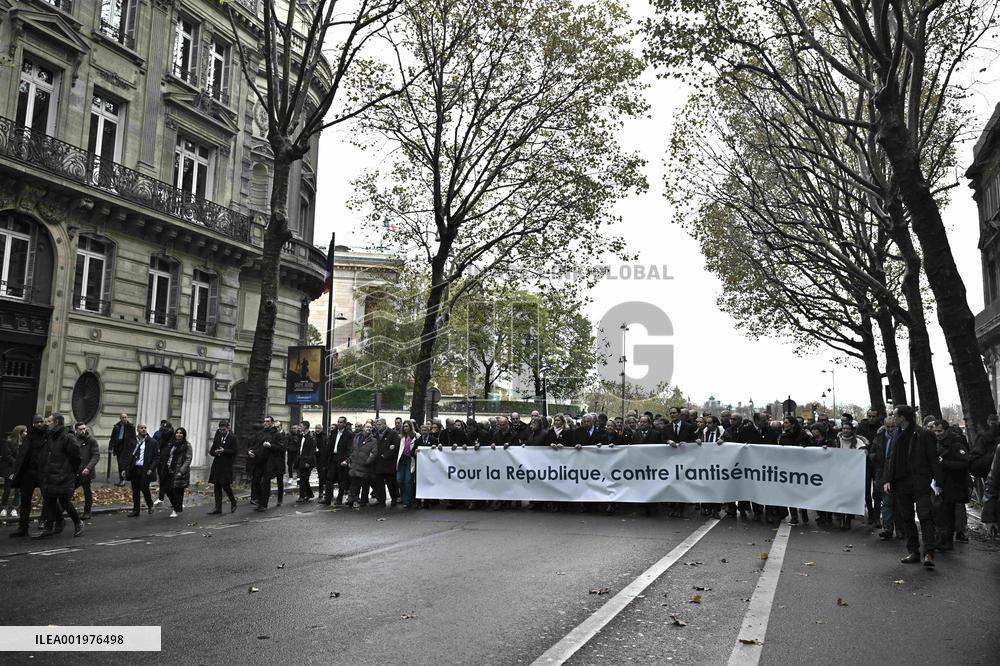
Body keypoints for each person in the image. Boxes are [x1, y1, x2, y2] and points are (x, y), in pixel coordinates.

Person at [883, 405, 942, 568]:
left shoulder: (924, 434)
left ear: (903, 417)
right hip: (901, 483)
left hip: (920, 482)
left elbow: (933, 459)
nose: (892, 417)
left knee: (925, 517)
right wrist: (887, 479)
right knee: (906, 518)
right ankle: (913, 551)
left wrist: (938, 482)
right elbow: (891, 459)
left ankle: (929, 553)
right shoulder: (896, 433)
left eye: (894, 415)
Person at [34, 413, 83, 539]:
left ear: (56, 422)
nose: (47, 423)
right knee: (50, 501)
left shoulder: (67, 436)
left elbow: (76, 456)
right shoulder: (50, 436)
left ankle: (78, 522)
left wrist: (69, 470)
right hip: (50, 474)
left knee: (64, 501)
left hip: (63, 475)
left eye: (49, 421)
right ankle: (48, 528)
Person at [931, 419, 969, 551]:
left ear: (946, 430)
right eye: (935, 431)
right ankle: (942, 539)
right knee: (940, 513)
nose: (937, 434)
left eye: (939, 431)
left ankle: (947, 541)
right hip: (939, 483)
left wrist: (944, 463)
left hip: (952, 484)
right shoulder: (936, 443)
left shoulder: (956, 444)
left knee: (948, 513)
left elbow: (964, 464)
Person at [7, 416, 47, 538]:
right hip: (28, 472)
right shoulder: (29, 436)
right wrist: (16, 471)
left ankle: (48, 522)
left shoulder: (48, 435)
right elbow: (22, 455)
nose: (39, 424)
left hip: (43, 471)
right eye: (37, 422)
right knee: (25, 501)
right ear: (33, 424)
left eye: (41, 422)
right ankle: (23, 527)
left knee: (49, 498)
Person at [833, 421, 868, 530]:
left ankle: (848, 518)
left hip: (852, 474)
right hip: (838, 473)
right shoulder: (837, 441)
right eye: (843, 428)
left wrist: (863, 452)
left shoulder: (857, 442)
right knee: (839, 496)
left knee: (849, 497)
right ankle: (841, 517)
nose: (845, 430)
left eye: (848, 429)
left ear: (852, 430)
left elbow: (863, 452)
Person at [779, 417, 814, 526]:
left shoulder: (803, 435)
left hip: (801, 467)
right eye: (784, 423)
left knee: (801, 492)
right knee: (790, 492)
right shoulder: (784, 436)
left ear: (793, 424)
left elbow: (811, 448)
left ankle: (804, 514)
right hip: (788, 467)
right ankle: (794, 517)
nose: (784, 424)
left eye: (786, 422)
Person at [870, 416, 898, 539]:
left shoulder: (900, 438)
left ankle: (900, 528)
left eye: (893, 426)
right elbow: (871, 453)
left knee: (898, 502)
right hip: (882, 471)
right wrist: (876, 458)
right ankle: (888, 528)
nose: (890, 429)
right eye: (888, 427)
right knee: (886, 502)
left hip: (897, 472)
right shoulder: (879, 438)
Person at [250, 416, 286, 512]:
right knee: (256, 481)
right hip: (259, 461)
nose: (265, 423)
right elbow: (255, 445)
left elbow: (281, 448)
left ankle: (264, 504)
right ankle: (259, 501)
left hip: (270, 462)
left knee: (265, 482)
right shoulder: (261, 433)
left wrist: (271, 446)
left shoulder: (277, 434)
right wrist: (250, 451)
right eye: (264, 421)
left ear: (272, 423)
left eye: (267, 421)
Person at [126, 424, 158, 516]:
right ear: (137, 430)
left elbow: (156, 457)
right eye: (141, 428)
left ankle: (150, 504)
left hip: (145, 469)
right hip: (135, 468)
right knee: (135, 490)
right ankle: (136, 510)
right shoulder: (133, 441)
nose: (143, 429)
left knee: (144, 488)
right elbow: (127, 455)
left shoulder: (152, 442)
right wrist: (125, 468)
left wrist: (151, 469)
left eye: (145, 428)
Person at [321, 417, 353, 505]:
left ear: (345, 424)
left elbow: (349, 449)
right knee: (329, 478)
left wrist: (346, 460)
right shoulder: (334, 432)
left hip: (342, 460)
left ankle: (339, 498)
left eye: (341, 422)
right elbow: (329, 446)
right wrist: (326, 459)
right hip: (333, 458)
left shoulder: (349, 434)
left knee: (341, 480)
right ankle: (328, 498)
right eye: (338, 422)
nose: (339, 424)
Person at [208, 420, 238, 514]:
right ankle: (218, 508)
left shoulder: (233, 437)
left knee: (226, 486)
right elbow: (211, 451)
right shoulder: (218, 437)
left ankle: (233, 502)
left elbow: (235, 451)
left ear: (228, 428)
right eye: (220, 430)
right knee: (216, 486)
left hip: (226, 465)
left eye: (224, 429)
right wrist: (215, 452)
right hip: (217, 464)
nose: (222, 431)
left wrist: (224, 450)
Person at [72, 422, 100, 521]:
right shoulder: (72, 439)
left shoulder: (91, 440)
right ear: (75, 430)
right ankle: (61, 510)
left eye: (84, 428)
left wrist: (88, 468)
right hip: (75, 471)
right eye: (80, 429)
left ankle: (87, 511)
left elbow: (96, 455)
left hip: (85, 471)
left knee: (87, 491)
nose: (83, 431)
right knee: (68, 491)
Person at [163, 428, 193, 518]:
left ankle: (175, 510)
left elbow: (188, 459)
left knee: (178, 491)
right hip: (169, 469)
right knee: (167, 489)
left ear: (184, 435)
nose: (178, 434)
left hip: (179, 471)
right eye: (177, 433)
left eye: (181, 433)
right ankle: (177, 506)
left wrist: (181, 471)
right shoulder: (172, 444)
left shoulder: (187, 445)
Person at [347, 423, 378, 508]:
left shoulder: (373, 440)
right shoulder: (356, 437)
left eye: (371, 427)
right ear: (363, 428)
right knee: (354, 483)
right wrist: (351, 458)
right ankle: (353, 499)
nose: (369, 428)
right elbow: (352, 449)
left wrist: (367, 461)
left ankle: (363, 500)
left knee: (364, 484)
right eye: (367, 427)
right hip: (355, 464)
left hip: (365, 466)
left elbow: (374, 453)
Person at [373, 418, 400, 506]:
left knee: (391, 482)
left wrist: (385, 455)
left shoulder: (392, 433)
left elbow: (395, 447)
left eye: (379, 424)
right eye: (377, 424)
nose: (378, 426)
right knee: (379, 482)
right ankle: (381, 500)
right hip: (378, 462)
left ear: (384, 424)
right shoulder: (376, 434)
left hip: (389, 462)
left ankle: (394, 498)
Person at [1, 425, 25, 520]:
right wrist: (15, 469)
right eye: (25, 432)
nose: (26, 434)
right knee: (7, 489)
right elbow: (7, 456)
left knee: (18, 491)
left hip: (19, 470)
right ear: (19, 433)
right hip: (10, 469)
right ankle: (4, 507)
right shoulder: (7, 442)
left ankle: (15, 508)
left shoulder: (24, 443)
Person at [291, 421, 317, 503]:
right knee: (304, 479)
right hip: (300, 459)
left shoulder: (311, 436)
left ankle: (302, 496)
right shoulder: (301, 435)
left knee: (303, 479)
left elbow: (312, 451)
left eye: (301, 426)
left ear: (306, 427)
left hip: (307, 461)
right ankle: (309, 494)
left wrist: (308, 462)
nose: (299, 427)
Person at [108, 413, 137, 486]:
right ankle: (122, 479)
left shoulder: (131, 427)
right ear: (120, 418)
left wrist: (133, 448)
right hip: (119, 448)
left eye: (125, 417)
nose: (124, 419)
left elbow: (134, 439)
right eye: (123, 417)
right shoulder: (116, 426)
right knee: (120, 464)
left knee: (124, 464)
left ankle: (123, 480)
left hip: (127, 449)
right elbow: (112, 438)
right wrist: (110, 447)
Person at [397, 420, 419, 508]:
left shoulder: (416, 436)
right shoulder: (402, 436)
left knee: (408, 481)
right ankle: (403, 497)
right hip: (402, 460)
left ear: (410, 427)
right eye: (404, 426)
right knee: (399, 479)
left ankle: (407, 501)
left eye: (407, 426)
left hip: (410, 459)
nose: (405, 428)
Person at [152, 420, 174, 506]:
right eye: (164, 428)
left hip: (170, 462)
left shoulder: (173, 437)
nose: (165, 430)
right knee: (163, 480)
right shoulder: (159, 435)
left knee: (169, 482)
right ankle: (161, 497)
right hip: (162, 461)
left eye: (167, 429)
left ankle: (175, 501)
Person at [314, 424, 330, 502]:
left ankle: (321, 491)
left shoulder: (325, 437)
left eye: (319, 428)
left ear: (322, 429)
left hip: (321, 459)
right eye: (316, 428)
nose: (317, 429)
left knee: (321, 476)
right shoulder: (313, 436)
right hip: (313, 457)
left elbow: (326, 449)